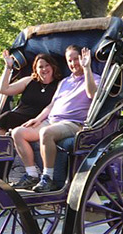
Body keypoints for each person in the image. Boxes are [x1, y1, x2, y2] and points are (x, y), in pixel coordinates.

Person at [11, 44, 100, 192]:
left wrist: (87, 68)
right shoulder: (64, 82)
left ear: (83, 58)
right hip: (51, 121)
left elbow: (93, 94)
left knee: (46, 133)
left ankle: (48, 178)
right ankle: (31, 175)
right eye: (69, 61)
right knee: (18, 133)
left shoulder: (93, 78)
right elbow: (52, 105)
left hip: (73, 123)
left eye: (76, 59)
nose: (73, 63)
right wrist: (38, 119)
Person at [0, 50, 62, 136]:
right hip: (17, 117)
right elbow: (3, 90)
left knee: (7, 118)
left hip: (37, 120)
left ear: (53, 66)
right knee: (0, 132)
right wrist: (8, 67)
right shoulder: (29, 81)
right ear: (36, 69)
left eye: (47, 65)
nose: (44, 69)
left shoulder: (60, 85)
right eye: (40, 67)